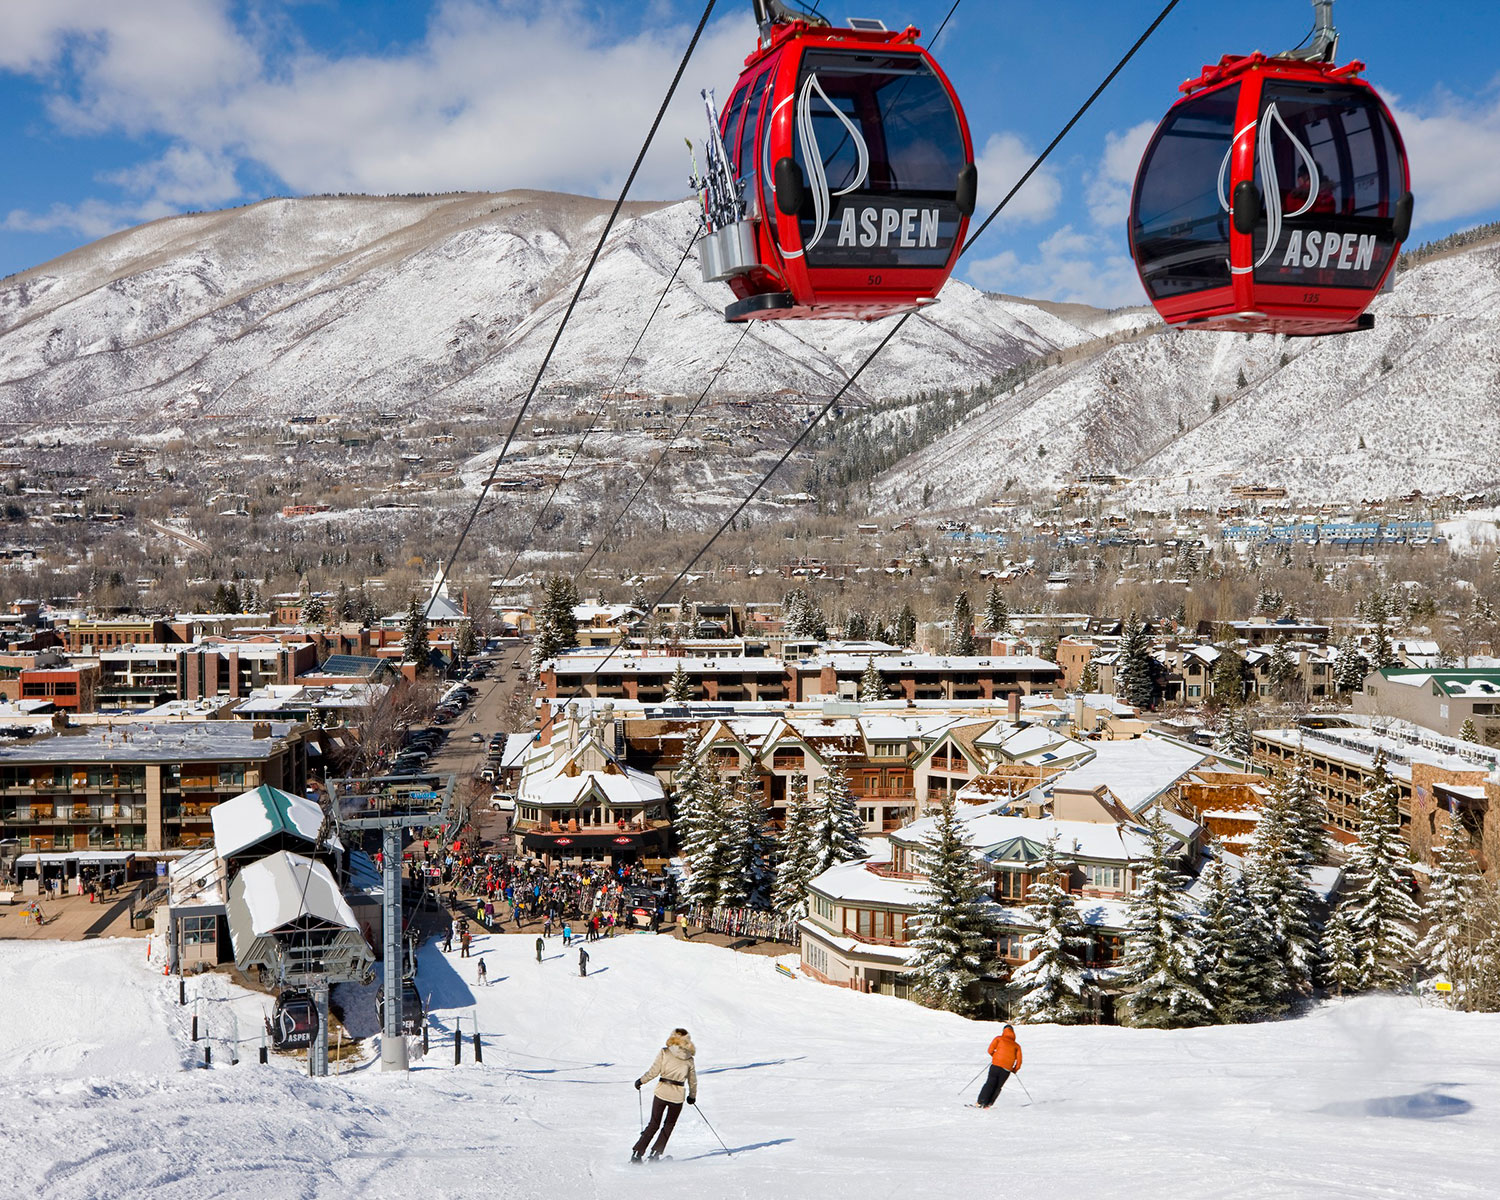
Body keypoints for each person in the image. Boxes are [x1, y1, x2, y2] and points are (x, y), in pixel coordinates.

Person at [631, 1028, 697, 1163]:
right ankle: (655, 1153)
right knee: (669, 1125)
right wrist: (692, 1096)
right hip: (677, 1096)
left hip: (662, 1092)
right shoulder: (689, 1059)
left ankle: (637, 1153)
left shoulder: (665, 1052)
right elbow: (692, 1080)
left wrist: (641, 1081)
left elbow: (654, 1071)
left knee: (653, 1124)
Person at [975, 1024, 1022, 1108]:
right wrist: (1015, 1069)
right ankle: (989, 1104)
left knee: (990, 1083)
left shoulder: (999, 1039)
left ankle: (981, 1102)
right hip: (1006, 1069)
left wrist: (996, 1057)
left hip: (996, 1065)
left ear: (1004, 1031)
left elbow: (990, 1050)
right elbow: (1019, 1061)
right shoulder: (1016, 1046)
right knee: (998, 1086)